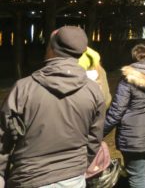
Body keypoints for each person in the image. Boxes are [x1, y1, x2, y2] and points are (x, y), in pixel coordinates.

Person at [0, 26, 105, 187]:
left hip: (30, 178)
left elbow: (3, 139)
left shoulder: (24, 88)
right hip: (73, 178)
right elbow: (94, 139)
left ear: (51, 48)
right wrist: (79, 166)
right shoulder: (93, 90)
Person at [103, 43, 145, 188]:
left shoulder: (128, 79)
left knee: (137, 175)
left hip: (134, 137)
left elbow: (116, 111)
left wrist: (100, 131)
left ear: (132, 58)